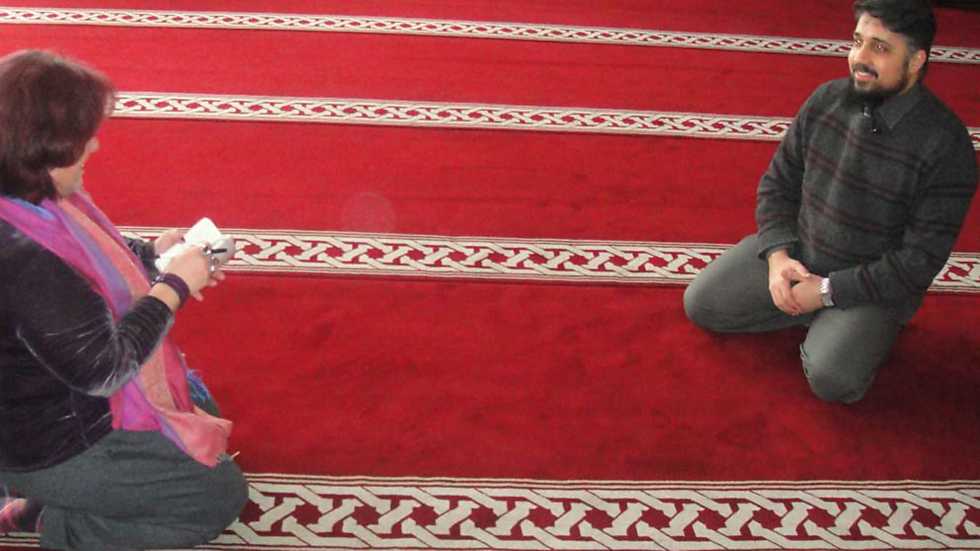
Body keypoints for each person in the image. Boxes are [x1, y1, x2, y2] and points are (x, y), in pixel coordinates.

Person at [0, 50, 247, 548]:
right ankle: (64, 524)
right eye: (82, 138)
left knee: (200, 407)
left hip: (47, 402)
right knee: (217, 495)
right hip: (53, 441)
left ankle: (61, 499)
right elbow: (105, 370)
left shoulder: (25, 199)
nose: (94, 145)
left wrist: (150, 255)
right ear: (43, 149)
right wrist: (172, 287)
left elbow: (85, 263)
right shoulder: (22, 260)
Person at [683, 0, 977, 404]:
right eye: (857, 42)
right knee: (703, 303)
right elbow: (778, 184)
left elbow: (917, 262)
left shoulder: (946, 147)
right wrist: (778, 257)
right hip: (802, 255)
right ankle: (815, 314)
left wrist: (827, 291)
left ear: (916, 61)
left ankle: (846, 321)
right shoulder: (826, 100)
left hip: (871, 285)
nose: (860, 58)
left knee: (833, 379)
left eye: (880, 47)